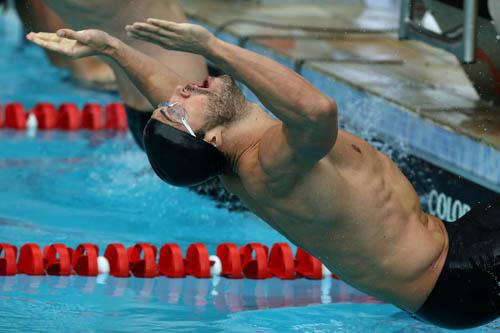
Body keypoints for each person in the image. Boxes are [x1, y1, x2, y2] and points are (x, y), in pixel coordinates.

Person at [26, 20, 499, 329]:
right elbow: (318, 109)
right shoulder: (267, 165)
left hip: (453, 248)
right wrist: (212, 46)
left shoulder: (228, 149)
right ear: (206, 136)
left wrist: (113, 50)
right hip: (460, 277)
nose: (180, 90)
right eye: (179, 107)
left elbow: (167, 99)